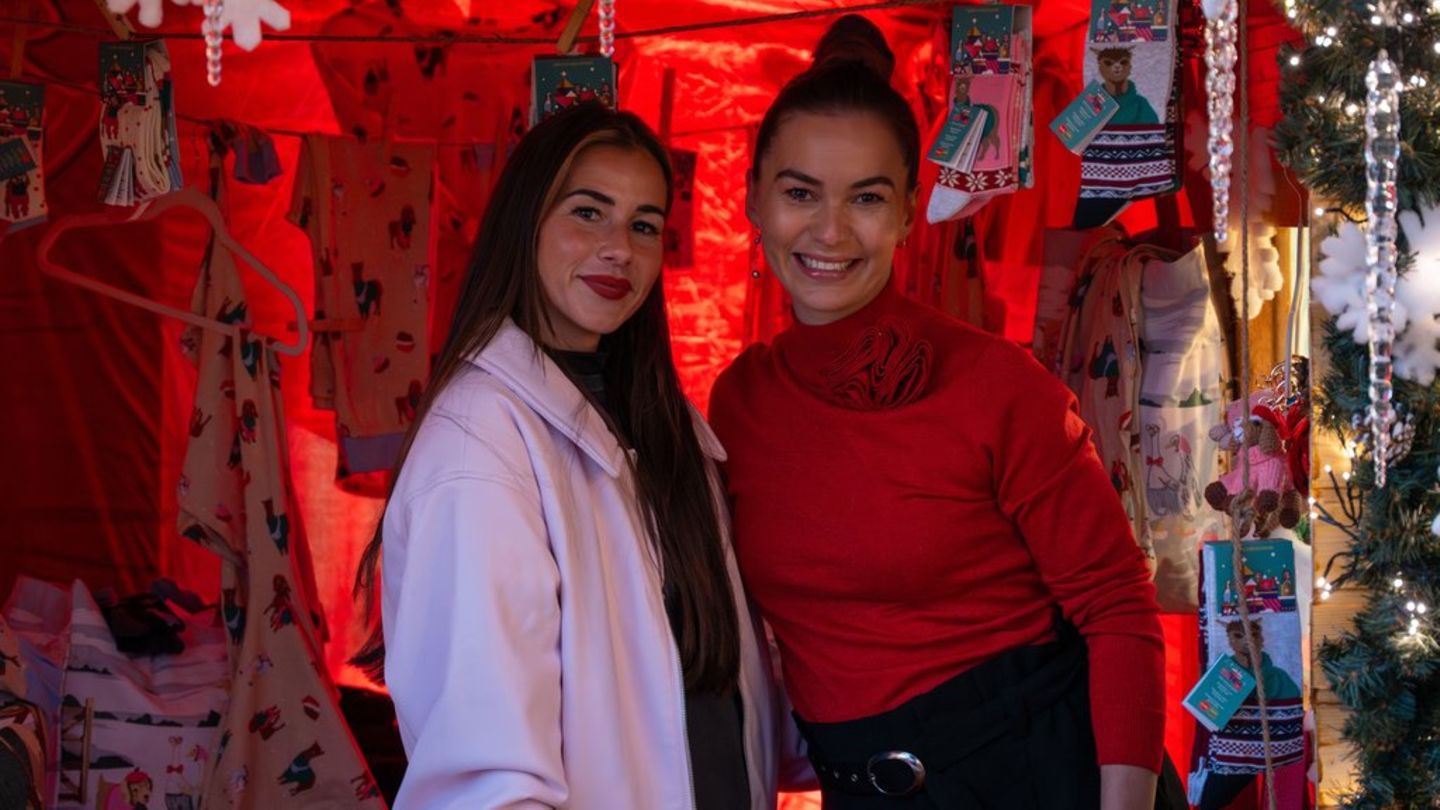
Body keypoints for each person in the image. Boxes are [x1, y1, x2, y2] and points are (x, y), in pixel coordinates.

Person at [709, 15, 1171, 809]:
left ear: (907, 212)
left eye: (866, 197)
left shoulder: (995, 384)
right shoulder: (738, 400)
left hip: (1038, 777)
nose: (829, 230)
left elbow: (1118, 606)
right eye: (799, 193)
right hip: (861, 786)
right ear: (754, 198)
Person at [353, 103, 800, 809]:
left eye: (644, 225)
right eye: (588, 213)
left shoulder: (664, 423)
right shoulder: (481, 439)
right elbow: (485, 775)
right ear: (525, 222)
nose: (619, 247)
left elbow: (715, 688)